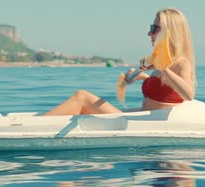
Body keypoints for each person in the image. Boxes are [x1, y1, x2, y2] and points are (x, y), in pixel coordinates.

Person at [43, 8, 196, 116]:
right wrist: (143, 77)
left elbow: (189, 94)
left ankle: (41, 126)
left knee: (82, 97)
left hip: (149, 121)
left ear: (169, 32)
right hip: (144, 117)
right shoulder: (163, 61)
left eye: (154, 28)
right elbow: (166, 90)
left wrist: (164, 69)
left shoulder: (181, 63)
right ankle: (43, 124)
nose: (149, 33)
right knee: (84, 110)